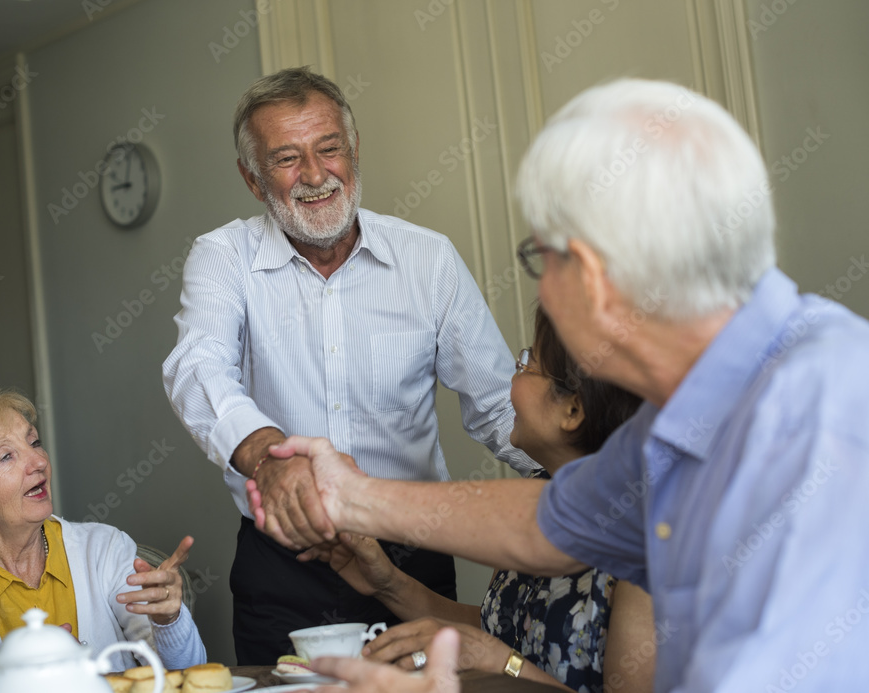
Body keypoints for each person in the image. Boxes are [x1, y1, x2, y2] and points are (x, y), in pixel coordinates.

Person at [250, 78, 869, 692]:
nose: (541, 292)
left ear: (593, 277)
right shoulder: (676, 418)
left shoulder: (816, 409)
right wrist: (346, 497)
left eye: (540, 259)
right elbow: (545, 522)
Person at [162, 66, 532, 663]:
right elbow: (197, 365)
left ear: (352, 151)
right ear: (253, 180)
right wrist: (267, 458)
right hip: (283, 560)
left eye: (328, 149)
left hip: (413, 556)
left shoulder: (428, 259)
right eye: (286, 158)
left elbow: (496, 405)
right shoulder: (223, 257)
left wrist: (589, 484)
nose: (314, 174)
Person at [294, 305, 653, 691]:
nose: (512, 380)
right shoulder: (527, 500)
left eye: (528, 364)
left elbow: (494, 650)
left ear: (573, 408)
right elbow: (494, 628)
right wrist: (388, 584)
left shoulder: (644, 539)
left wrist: (503, 663)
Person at [0, 382, 207, 677]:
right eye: (6, 455)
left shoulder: (103, 549)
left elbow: (187, 673)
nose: (39, 461)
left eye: (34, 442)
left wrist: (168, 620)